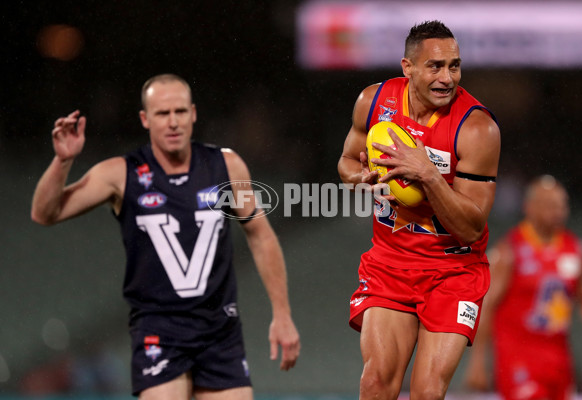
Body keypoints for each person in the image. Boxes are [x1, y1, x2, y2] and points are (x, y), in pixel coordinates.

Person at [31, 73, 300, 399]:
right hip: (159, 331)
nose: (173, 122)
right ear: (145, 119)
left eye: (180, 112)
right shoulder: (121, 173)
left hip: (220, 331)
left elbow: (261, 236)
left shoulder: (226, 167)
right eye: (162, 113)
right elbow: (45, 213)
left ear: (194, 113)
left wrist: (282, 314)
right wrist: (63, 161)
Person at [337, 20, 501, 400]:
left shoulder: (477, 128)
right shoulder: (374, 102)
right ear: (407, 67)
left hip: (454, 272)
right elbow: (346, 162)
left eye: (454, 66)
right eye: (435, 66)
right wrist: (362, 177)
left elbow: (473, 228)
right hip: (390, 263)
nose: (447, 77)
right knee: (377, 381)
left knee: (427, 393)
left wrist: (427, 174)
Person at [465, 175, 582, 400]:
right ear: (530, 207)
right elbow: (486, 305)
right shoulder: (510, 251)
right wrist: (478, 360)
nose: (557, 211)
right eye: (549, 205)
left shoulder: (576, 249)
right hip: (518, 359)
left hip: (559, 360)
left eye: (561, 205)